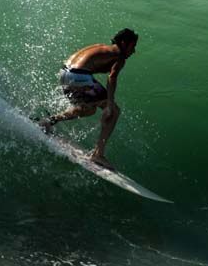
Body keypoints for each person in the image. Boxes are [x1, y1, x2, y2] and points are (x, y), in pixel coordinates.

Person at [40, 28, 139, 170]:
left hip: (64, 74)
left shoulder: (101, 46)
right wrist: (109, 105)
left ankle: (48, 121)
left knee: (88, 109)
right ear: (124, 43)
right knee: (114, 110)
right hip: (78, 76)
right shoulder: (119, 56)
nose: (133, 51)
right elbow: (112, 78)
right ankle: (98, 154)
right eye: (132, 46)